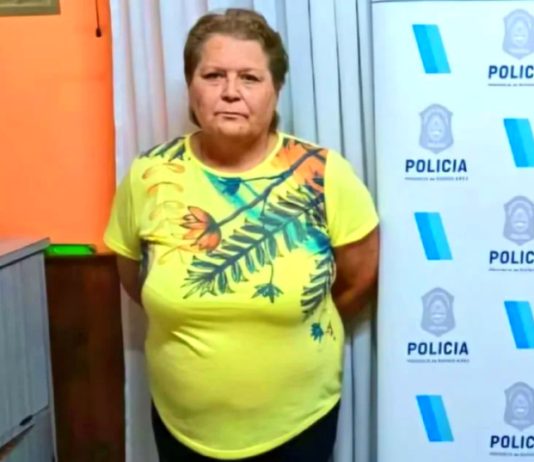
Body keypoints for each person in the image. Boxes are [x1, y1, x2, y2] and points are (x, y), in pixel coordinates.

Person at [104, 8, 379, 462]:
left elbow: (360, 279)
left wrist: (296, 314)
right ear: (191, 86)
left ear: (275, 90)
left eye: (250, 78)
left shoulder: (323, 173)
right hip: (181, 428)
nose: (231, 91)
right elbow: (134, 277)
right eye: (213, 75)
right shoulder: (149, 175)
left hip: (298, 425)